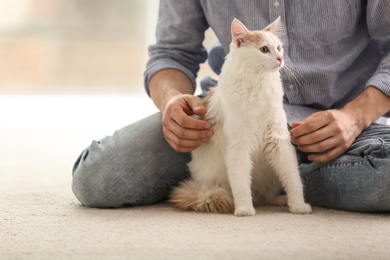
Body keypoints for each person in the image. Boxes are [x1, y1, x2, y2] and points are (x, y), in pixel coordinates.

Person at [72, 1, 390, 212]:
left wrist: (354, 117)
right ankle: (283, 184)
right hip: (226, 120)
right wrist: (171, 101)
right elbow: (171, 53)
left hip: (340, 123)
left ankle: (273, 184)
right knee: (97, 177)